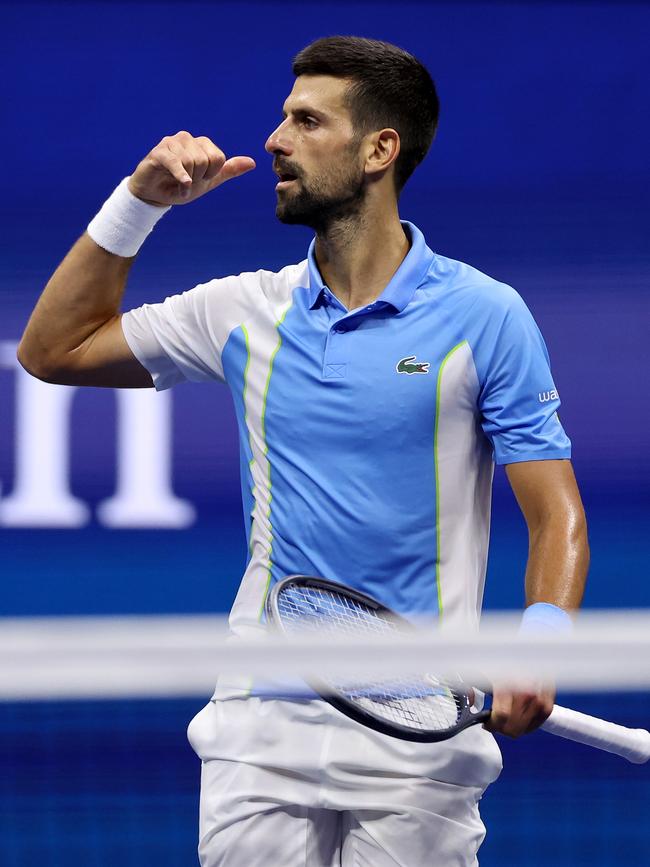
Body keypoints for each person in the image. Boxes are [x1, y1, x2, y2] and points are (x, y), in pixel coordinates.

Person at [19, 35, 589, 867]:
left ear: (378, 150)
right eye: (285, 118)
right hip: (260, 723)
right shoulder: (243, 310)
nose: (277, 139)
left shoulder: (486, 315)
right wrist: (138, 203)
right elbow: (53, 350)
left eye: (306, 120)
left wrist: (541, 644)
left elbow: (557, 512)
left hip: (420, 736)